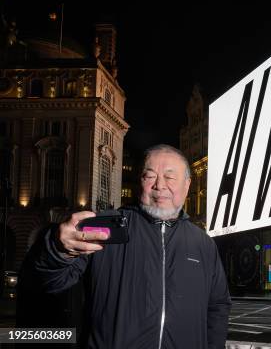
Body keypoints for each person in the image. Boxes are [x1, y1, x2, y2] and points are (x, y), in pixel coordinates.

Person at [25, 144, 231, 348]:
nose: (159, 185)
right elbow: (51, 283)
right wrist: (57, 250)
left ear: (187, 185)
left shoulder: (203, 243)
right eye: (149, 176)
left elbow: (218, 305)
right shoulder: (103, 228)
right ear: (138, 182)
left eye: (170, 177)